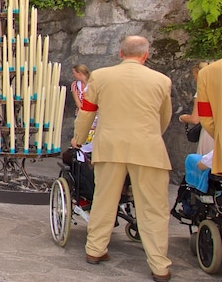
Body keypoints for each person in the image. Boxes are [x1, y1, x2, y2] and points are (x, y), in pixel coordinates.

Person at [71, 36, 172, 282]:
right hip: (147, 148)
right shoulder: (162, 80)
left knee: (104, 199)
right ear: (145, 55)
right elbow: (164, 116)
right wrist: (151, 135)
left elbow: (87, 111)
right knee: (153, 208)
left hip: (110, 146)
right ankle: (159, 265)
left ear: (120, 53)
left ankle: (95, 249)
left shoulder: (101, 76)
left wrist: (79, 139)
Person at [178, 61, 213, 155]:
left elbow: (195, 119)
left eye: (195, 76)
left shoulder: (202, 92)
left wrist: (182, 118)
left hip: (209, 133)